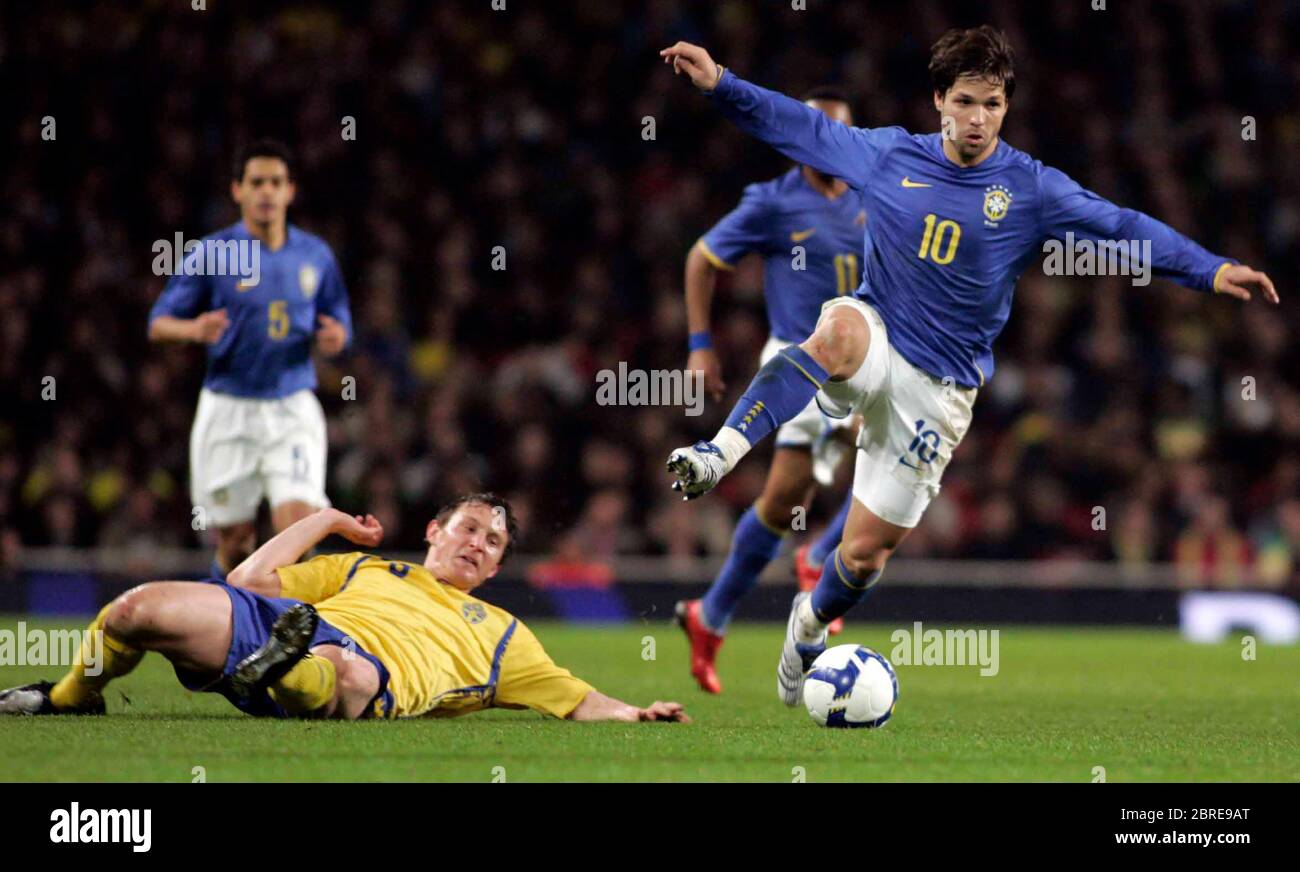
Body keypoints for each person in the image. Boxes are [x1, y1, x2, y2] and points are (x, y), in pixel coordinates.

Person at [659, 27, 1278, 706]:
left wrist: (1210, 268)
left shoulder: (1031, 189)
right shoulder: (886, 153)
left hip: (940, 391)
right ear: (938, 102)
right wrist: (721, 81)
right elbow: (794, 124)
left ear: (1006, 105)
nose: (977, 118)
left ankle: (806, 625)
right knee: (835, 329)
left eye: (991, 103)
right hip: (878, 337)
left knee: (864, 556)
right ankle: (719, 453)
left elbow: (1122, 228)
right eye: (964, 101)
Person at [0, 494, 690, 723]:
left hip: (369, 673)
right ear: (433, 532)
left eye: (494, 543)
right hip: (294, 629)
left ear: (500, 568)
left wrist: (635, 711)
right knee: (134, 609)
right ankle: (69, 698)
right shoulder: (364, 567)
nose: (478, 545)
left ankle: (278, 669)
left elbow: (576, 699)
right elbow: (249, 579)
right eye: (470, 528)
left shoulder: (506, 635)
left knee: (348, 672)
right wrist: (327, 518)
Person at [677, 87, 865, 694]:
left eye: (838, 131)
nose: (828, 144)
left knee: (787, 499)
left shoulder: (875, 193)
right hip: (801, 358)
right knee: (882, 451)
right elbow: (702, 259)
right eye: (815, 131)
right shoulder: (773, 203)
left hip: (869, 355)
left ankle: (711, 615)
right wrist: (700, 342)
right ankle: (815, 561)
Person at [148, 139, 353, 580]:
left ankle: (297, 643)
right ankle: (224, 625)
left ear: (290, 191)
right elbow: (158, 323)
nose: (266, 191)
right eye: (256, 182)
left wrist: (337, 336)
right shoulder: (213, 253)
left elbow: (339, 320)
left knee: (297, 529)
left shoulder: (315, 256)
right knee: (236, 541)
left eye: (275, 182)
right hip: (229, 408)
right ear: (237, 190)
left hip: (291, 404)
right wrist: (193, 329)